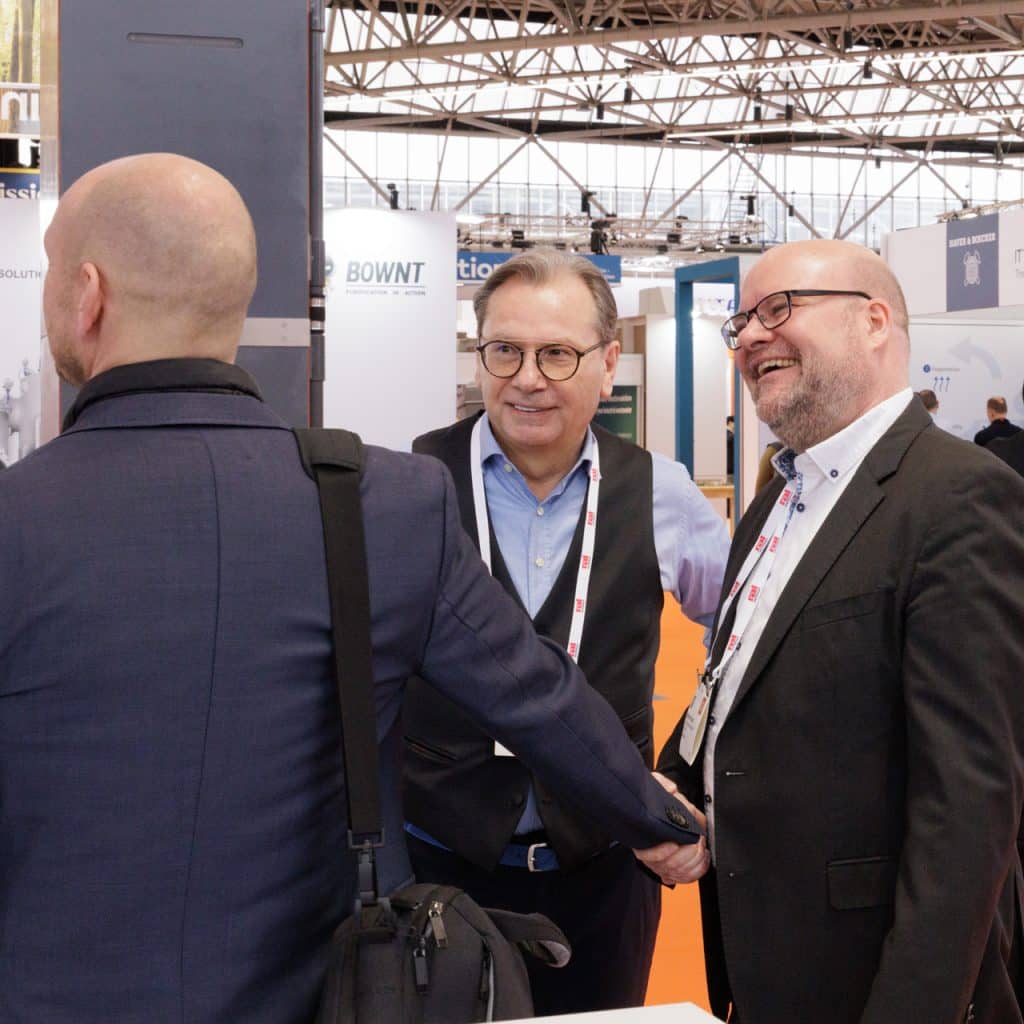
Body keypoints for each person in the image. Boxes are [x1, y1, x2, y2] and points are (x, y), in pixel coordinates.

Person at [0, 153, 708, 1024]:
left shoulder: (18, 517)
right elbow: (536, 694)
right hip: (323, 989)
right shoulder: (379, 500)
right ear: (241, 300)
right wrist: (667, 821)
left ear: (86, 294)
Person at [645, 238, 1024, 1024]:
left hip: (871, 977)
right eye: (742, 320)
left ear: (875, 321)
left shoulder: (960, 498)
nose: (749, 335)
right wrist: (678, 785)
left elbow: (969, 804)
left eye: (779, 308)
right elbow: (738, 681)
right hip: (765, 960)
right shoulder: (777, 501)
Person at [403, 248, 730, 1015]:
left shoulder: (663, 492)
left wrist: (688, 773)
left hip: (605, 875)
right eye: (504, 350)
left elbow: (749, 649)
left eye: (557, 353)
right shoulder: (410, 485)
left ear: (608, 361)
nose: (526, 377)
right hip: (439, 873)